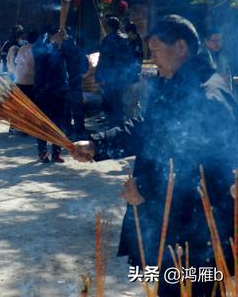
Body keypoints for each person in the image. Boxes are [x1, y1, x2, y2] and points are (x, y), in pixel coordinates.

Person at [71, 15, 238, 297]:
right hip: (172, 225)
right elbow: (144, 128)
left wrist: (146, 188)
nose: (153, 58)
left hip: (197, 233)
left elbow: (197, 168)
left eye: (157, 50)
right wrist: (96, 145)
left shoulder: (207, 96)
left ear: (181, 47)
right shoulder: (173, 85)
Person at [33, 29, 68, 163]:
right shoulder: (41, 43)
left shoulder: (62, 46)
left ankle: (56, 152)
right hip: (43, 90)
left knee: (58, 123)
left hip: (60, 89)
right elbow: (37, 52)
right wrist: (51, 40)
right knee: (43, 122)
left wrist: (67, 40)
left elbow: (75, 55)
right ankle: (42, 151)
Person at [96, 16, 132, 126]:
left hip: (110, 76)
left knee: (110, 101)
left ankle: (113, 125)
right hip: (121, 75)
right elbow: (129, 58)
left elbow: (103, 59)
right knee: (119, 100)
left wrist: (99, 75)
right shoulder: (125, 39)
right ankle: (119, 124)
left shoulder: (108, 40)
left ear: (109, 27)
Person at [55, 27, 88, 138]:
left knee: (65, 111)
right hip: (76, 83)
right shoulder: (78, 50)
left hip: (63, 85)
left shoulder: (59, 51)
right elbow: (85, 68)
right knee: (78, 109)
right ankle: (80, 132)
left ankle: (67, 132)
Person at [123, 22, 143, 119]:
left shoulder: (137, 42)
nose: (127, 35)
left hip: (134, 76)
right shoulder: (130, 42)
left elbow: (136, 61)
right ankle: (131, 118)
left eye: (127, 33)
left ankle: (136, 119)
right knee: (129, 101)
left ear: (131, 32)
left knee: (133, 101)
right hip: (128, 76)